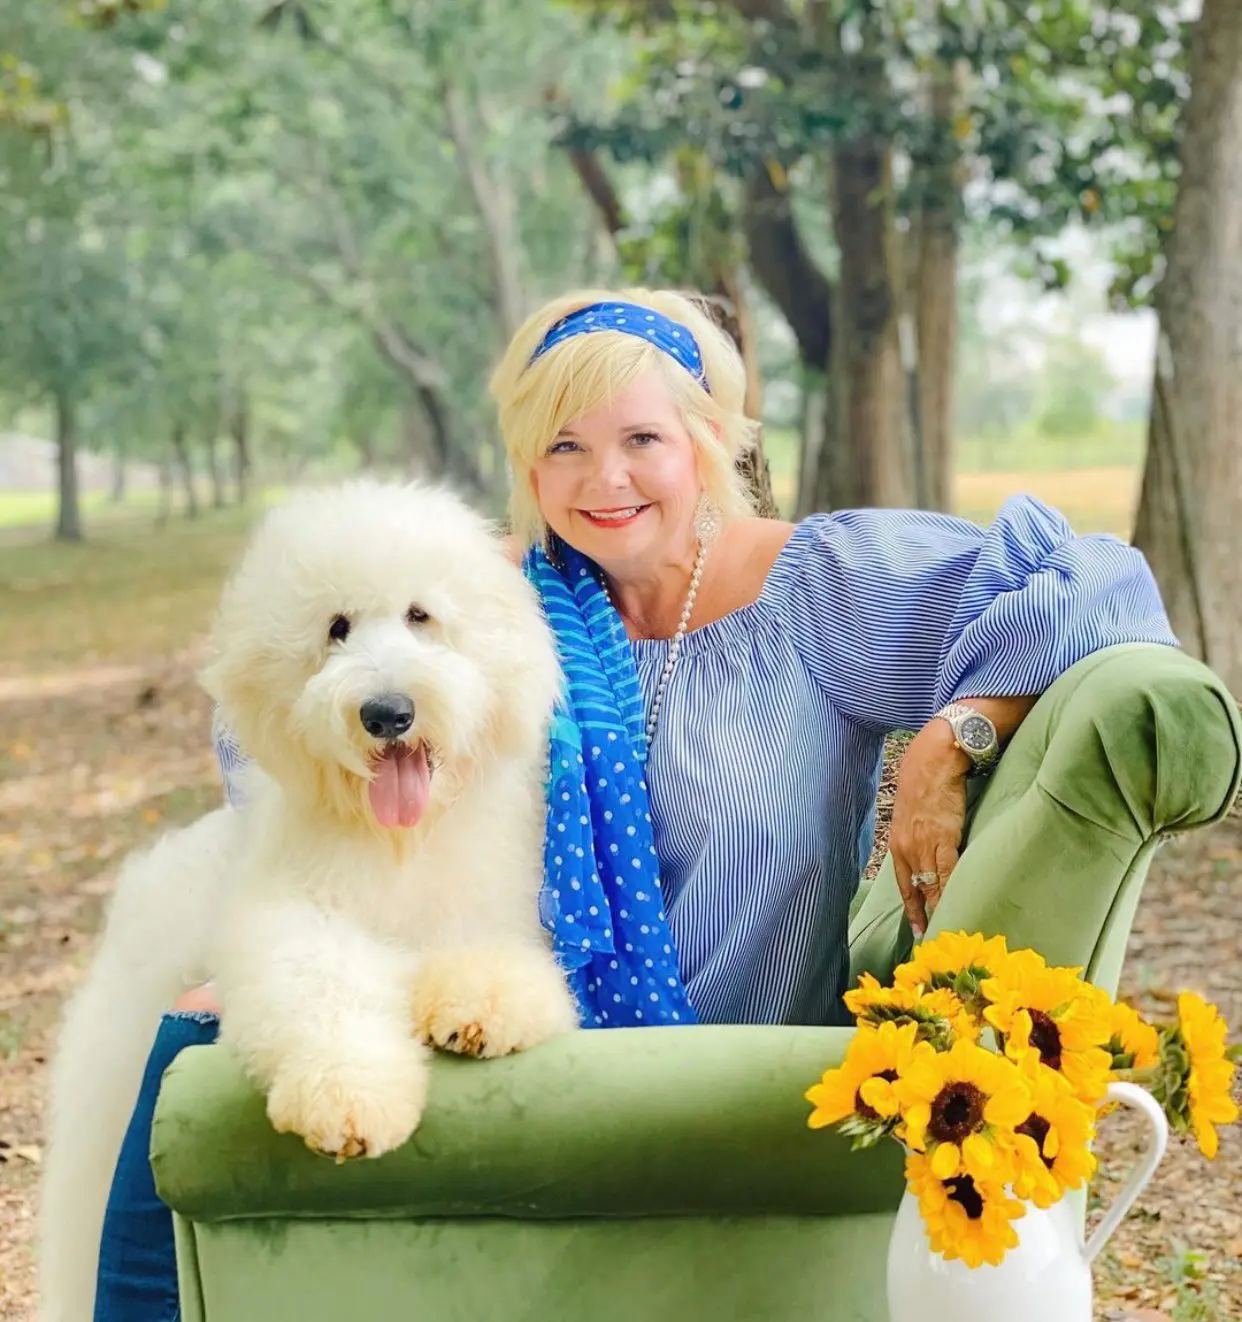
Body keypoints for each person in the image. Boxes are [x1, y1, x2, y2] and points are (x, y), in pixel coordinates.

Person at [89, 287, 1177, 1318]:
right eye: (564, 445)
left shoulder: (816, 590)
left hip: (732, 1071)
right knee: (189, 1023)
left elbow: (1089, 580)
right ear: (528, 462)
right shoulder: (491, 605)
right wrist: (319, 895)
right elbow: (268, 707)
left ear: (708, 441)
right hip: (499, 1039)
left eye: (640, 440)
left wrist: (958, 731)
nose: (603, 478)